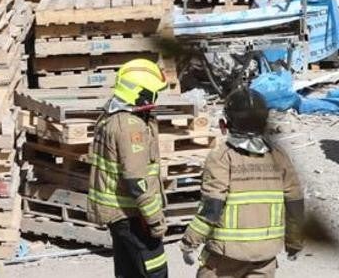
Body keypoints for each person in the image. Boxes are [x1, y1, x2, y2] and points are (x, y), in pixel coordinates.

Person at [181, 88, 304, 278]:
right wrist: (294, 242)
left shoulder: (222, 157)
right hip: (266, 255)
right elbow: (294, 201)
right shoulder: (279, 155)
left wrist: (190, 242)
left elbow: (212, 206)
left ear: (225, 124)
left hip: (226, 256)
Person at [88, 59, 170, 278]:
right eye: (154, 93)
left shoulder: (112, 116)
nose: (156, 99)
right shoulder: (131, 127)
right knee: (155, 271)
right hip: (134, 215)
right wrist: (154, 219)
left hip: (120, 216)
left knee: (128, 272)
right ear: (142, 93)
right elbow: (136, 180)